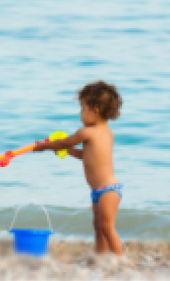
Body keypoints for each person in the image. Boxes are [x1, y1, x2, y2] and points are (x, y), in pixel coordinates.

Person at [33, 80, 123, 255]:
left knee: (107, 227)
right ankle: (102, 257)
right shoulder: (108, 132)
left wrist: (43, 146)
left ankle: (120, 261)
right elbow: (87, 157)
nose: (80, 112)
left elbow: (64, 141)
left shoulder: (85, 132)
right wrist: (67, 151)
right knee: (98, 226)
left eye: (82, 108)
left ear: (95, 111)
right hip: (99, 190)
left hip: (108, 190)